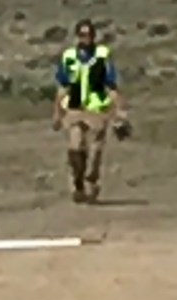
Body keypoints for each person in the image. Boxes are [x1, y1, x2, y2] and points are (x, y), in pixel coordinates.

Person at [53, 19, 131, 204]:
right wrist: (57, 112)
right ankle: (77, 182)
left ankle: (91, 180)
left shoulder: (102, 56)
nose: (85, 38)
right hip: (74, 108)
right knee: (75, 147)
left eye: (88, 34)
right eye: (81, 34)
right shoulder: (69, 57)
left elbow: (111, 86)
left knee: (95, 153)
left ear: (93, 36)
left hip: (97, 109)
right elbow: (62, 87)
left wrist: (119, 111)